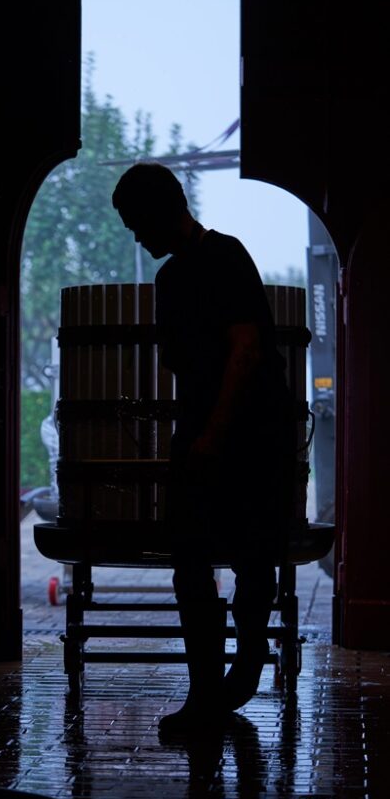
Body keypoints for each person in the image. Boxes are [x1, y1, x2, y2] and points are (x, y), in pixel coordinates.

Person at [111, 162, 296, 737]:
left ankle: (230, 680)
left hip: (245, 436)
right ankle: (214, 690)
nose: (136, 237)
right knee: (203, 561)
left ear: (164, 210)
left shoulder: (224, 257)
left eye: (138, 223)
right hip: (212, 432)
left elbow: (244, 354)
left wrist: (212, 433)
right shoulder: (174, 278)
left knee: (240, 558)